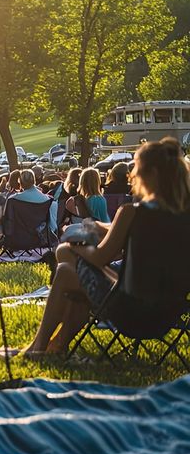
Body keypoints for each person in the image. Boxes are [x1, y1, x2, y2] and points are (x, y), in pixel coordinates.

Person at [22, 137, 190, 356]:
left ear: (153, 175)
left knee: (65, 269)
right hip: (169, 313)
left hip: (134, 311)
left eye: (137, 170)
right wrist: (100, 229)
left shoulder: (133, 213)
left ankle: (37, 349)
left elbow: (100, 257)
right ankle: (57, 345)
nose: (132, 176)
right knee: (74, 273)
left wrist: (78, 245)